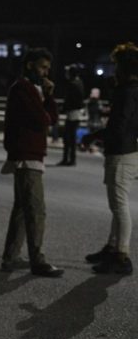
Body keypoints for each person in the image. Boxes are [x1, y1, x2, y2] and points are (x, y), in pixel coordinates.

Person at [0, 47, 64, 277]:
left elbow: (51, 118)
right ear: (30, 65)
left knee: (21, 209)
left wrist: (48, 97)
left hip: (28, 155)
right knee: (36, 210)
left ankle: (11, 257)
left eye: (48, 68)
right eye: (42, 67)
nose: (46, 73)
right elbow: (42, 119)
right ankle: (38, 260)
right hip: (27, 156)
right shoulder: (23, 89)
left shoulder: (31, 89)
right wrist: (47, 99)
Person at [81, 42, 138, 275]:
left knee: (120, 206)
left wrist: (93, 136)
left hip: (121, 153)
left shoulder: (127, 92)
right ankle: (113, 248)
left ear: (125, 68)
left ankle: (122, 256)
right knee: (117, 205)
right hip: (125, 151)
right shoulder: (130, 90)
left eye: (117, 66)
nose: (114, 70)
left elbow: (119, 125)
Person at [59, 64, 86, 166]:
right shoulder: (79, 82)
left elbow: (70, 100)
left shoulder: (73, 84)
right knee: (71, 137)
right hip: (77, 112)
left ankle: (68, 159)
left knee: (68, 137)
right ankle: (70, 159)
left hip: (72, 112)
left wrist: (64, 108)